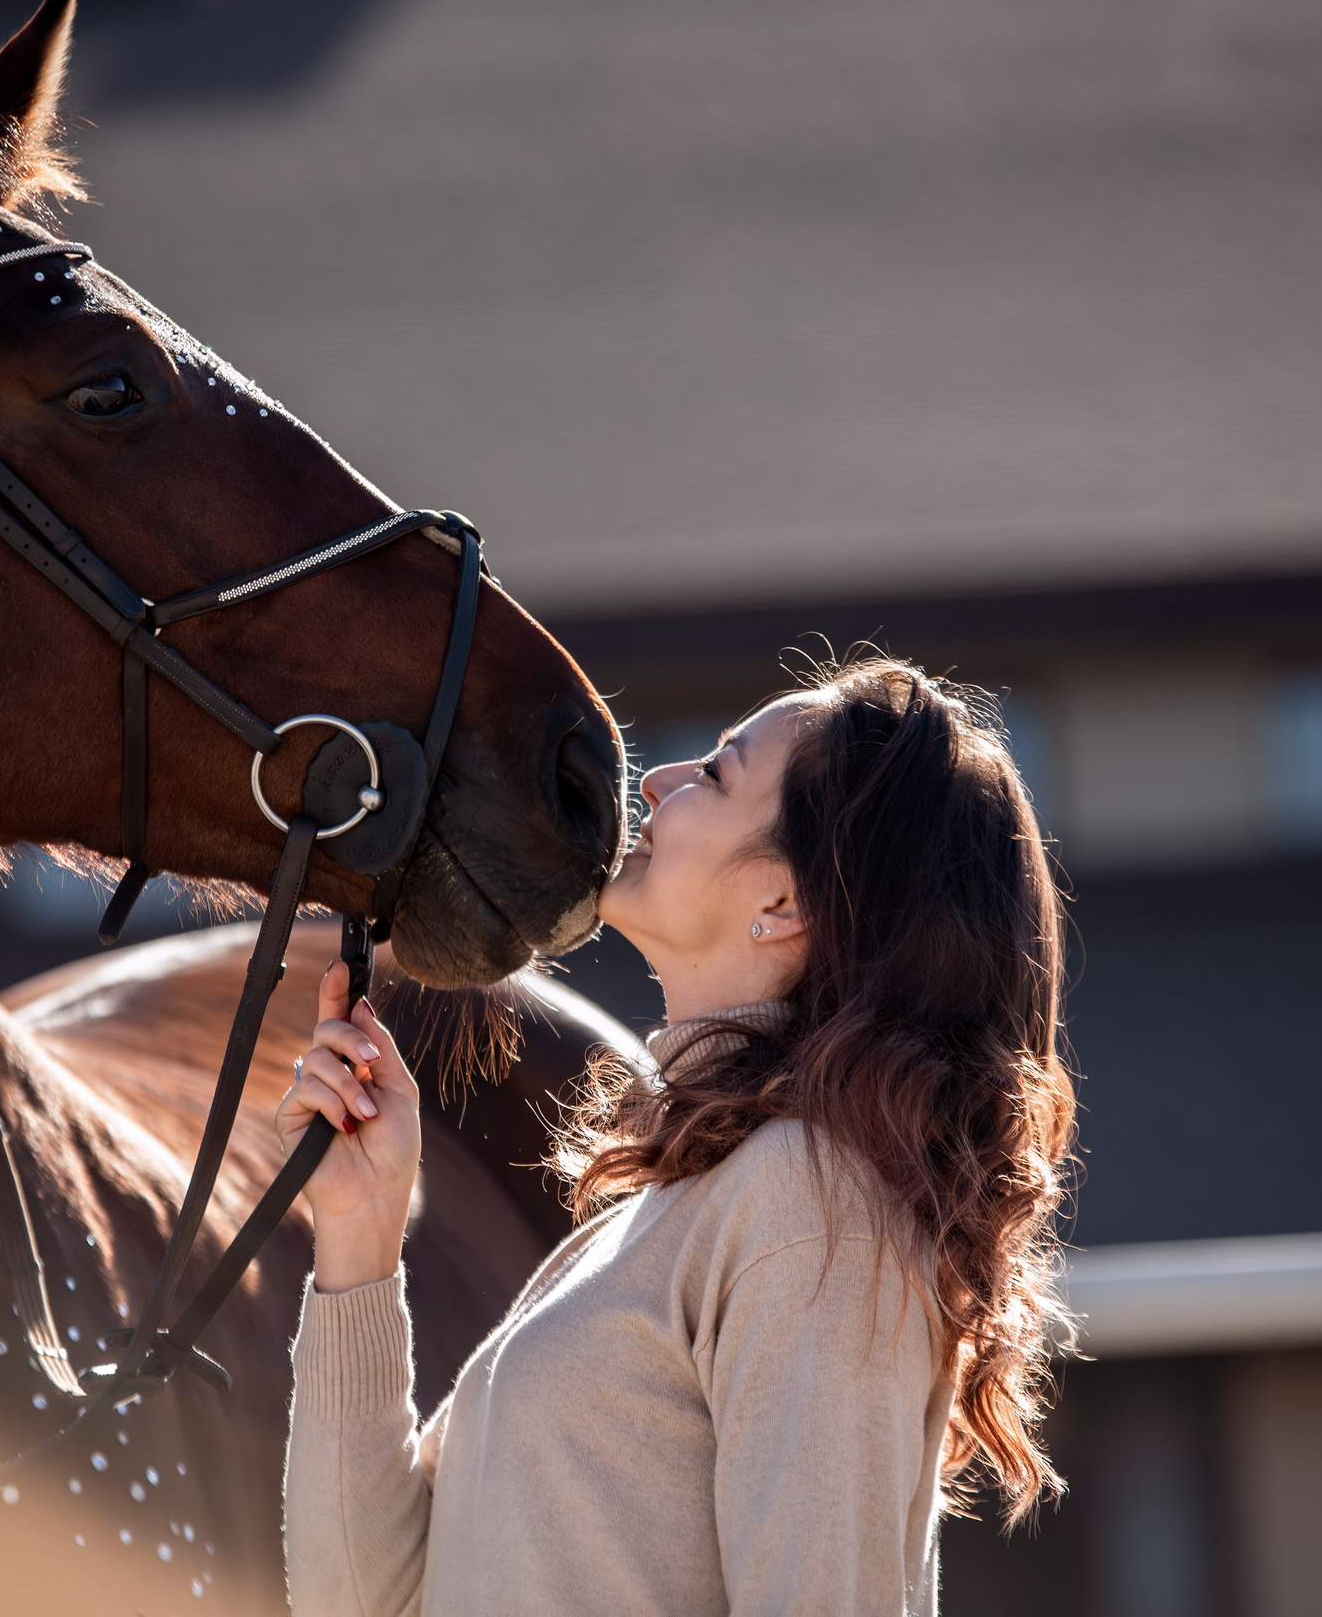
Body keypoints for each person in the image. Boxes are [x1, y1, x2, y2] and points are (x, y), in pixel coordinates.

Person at [274, 657, 1076, 1615]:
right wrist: (360, 1243)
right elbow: (360, 1598)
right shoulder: (671, 1214)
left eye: (719, 773)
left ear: (785, 904)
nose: (656, 781)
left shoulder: (812, 1209)